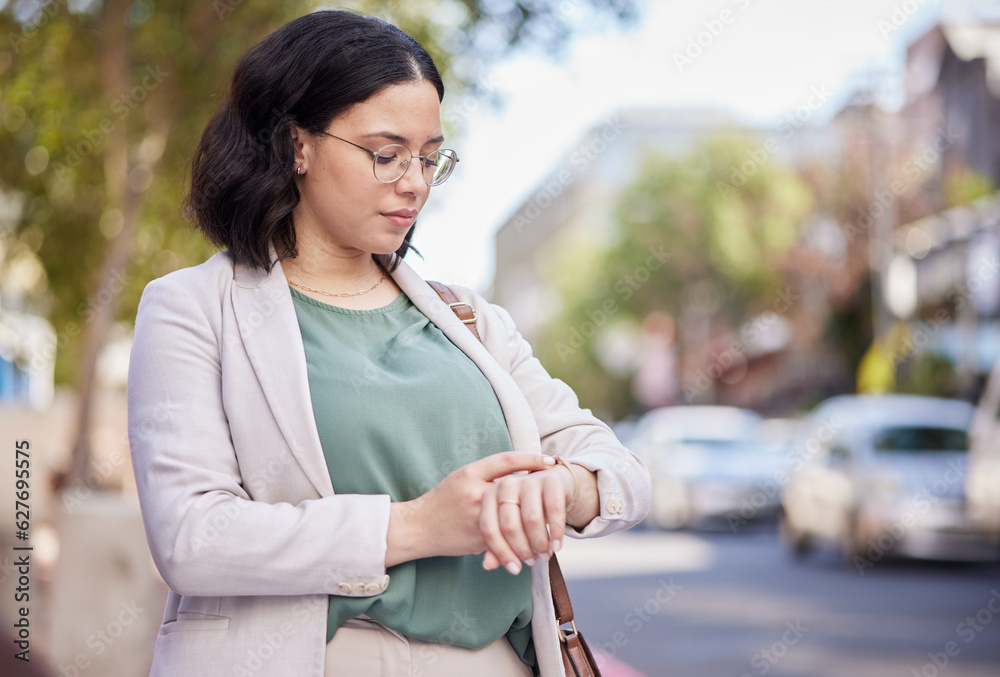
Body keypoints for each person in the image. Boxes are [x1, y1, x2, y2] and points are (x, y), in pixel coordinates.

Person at [127, 10, 650, 677]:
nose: (415, 182)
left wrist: (564, 488)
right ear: (298, 145)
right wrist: (419, 526)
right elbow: (191, 537)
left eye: (432, 158)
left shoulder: (467, 319)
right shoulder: (194, 311)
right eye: (386, 154)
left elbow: (618, 470)